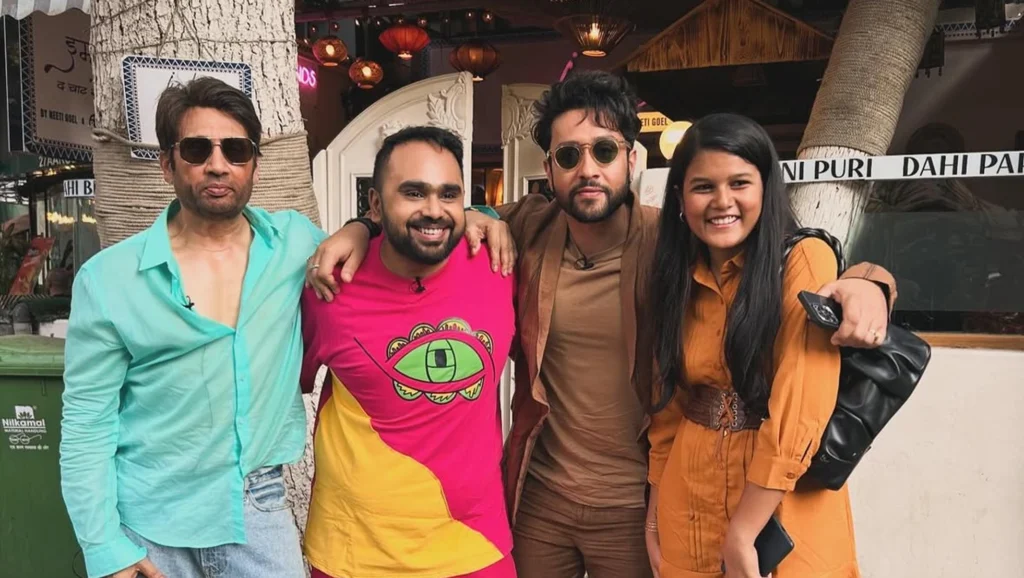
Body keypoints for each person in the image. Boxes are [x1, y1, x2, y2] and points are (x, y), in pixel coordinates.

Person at [306, 70, 896, 578]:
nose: (587, 169)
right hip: (541, 496)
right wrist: (361, 228)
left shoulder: (674, 241)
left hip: (638, 499)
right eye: (568, 156)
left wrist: (871, 281)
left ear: (632, 159)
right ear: (548, 169)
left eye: (605, 151)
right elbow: (437, 217)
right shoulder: (527, 232)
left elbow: (775, 251)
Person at [60, 77, 323, 578]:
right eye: (198, 149)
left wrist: (476, 218)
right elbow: (87, 423)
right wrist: (105, 545)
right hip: (148, 523)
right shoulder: (109, 279)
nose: (218, 165)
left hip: (258, 511)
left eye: (236, 150)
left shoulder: (298, 246)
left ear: (254, 165)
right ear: (167, 164)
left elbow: (388, 252)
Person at [646, 113, 864, 578]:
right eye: (703, 187)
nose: (722, 201)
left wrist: (743, 532)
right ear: (680, 199)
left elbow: (800, 408)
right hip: (689, 503)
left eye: (740, 183)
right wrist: (654, 511)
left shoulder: (804, 258)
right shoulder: (675, 278)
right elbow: (667, 410)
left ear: (766, 188)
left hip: (781, 508)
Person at [299, 126, 517, 578]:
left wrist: (484, 216)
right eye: (413, 193)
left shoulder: (499, 264)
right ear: (376, 204)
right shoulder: (329, 286)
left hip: (474, 544)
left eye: (449, 194)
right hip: (354, 554)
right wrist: (357, 229)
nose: (433, 210)